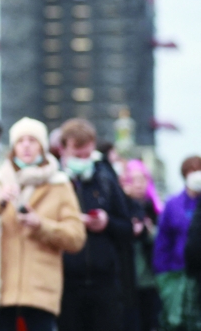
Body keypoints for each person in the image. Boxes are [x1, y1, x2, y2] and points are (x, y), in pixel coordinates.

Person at [0, 118, 86, 331]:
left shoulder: (59, 184)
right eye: (20, 141)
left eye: (32, 140)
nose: (26, 145)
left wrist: (41, 226)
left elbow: (76, 238)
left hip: (40, 294)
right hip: (0, 290)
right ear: (13, 147)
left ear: (42, 147)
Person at [57, 118, 134, 331]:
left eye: (87, 155)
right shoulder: (54, 183)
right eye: (77, 155)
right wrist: (73, 223)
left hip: (104, 283)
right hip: (66, 284)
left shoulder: (106, 180)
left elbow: (126, 227)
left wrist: (107, 222)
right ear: (63, 150)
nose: (83, 160)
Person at [153, 156, 201, 331]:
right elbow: (163, 242)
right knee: (176, 320)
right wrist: (162, 274)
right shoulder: (173, 204)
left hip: (197, 273)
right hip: (176, 272)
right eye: (192, 171)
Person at [121, 160, 162, 331]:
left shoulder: (156, 210)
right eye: (133, 180)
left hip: (150, 279)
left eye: (142, 179)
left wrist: (150, 232)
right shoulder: (121, 209)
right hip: (127, 280)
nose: (138, 185)